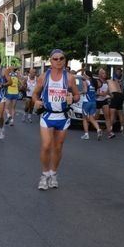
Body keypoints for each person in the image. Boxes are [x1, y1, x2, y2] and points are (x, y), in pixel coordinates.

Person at [32, 49, 79, 190]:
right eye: (55, 58)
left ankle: (53, 174)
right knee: (46, 146)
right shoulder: (44, 77)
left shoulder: (69, 77)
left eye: (61, 58)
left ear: (64, 60)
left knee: (58, 148)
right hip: (47, 115)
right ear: (50, 61)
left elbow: (77, 95)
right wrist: (36, 101)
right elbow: (35, 93)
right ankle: (44, 175)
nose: (58, 61)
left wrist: (73, 99)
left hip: (63, 116)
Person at [80, 70, 102, 140]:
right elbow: (97, 92)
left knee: (84, 118)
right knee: (92, 119)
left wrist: (79, 93)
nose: (83, 76)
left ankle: (86, 134)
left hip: (86, 102)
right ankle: (98, 129)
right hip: (93, 102)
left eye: (83, 74)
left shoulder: (85, 82)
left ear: (86, 76)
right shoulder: (94, 82)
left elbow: (85, 91)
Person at [95, 69, 112, 137]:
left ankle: (110, 132)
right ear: (99, 74)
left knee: (107, 116)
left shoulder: (106, 82)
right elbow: (94, 92)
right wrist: (100, 94)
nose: (104, 74)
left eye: (105, 73)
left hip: (104, 100)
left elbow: (107, 91)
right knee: (96, 117)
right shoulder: (97, 82)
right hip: (97, 100)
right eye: (103, 73)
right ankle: (88, 122)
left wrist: (110, 94)